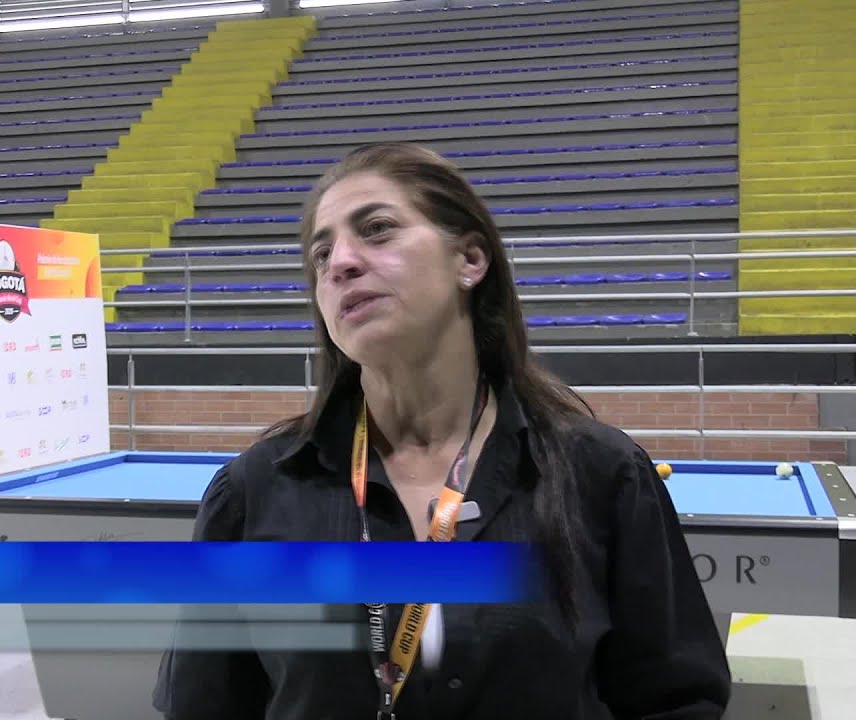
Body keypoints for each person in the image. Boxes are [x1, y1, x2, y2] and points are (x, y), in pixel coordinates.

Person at [154, 142, 731, 719]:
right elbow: (203, 707)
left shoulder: (600, 475)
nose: (341, 263)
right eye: (321, 254)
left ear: (470, 260)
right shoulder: (253, 494)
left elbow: (676, 702)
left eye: (377, 230)